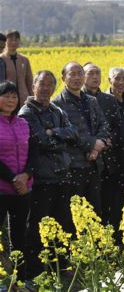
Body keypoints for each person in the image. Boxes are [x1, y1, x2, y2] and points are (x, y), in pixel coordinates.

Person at [18, 71, 79, 279]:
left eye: (49, 85)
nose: (45, 89)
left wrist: (54, 133)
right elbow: (40, 142)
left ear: (54, 88)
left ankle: (60, 267)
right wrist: (59, 137)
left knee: (62, 224)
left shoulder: (56, 110)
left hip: (61, 176)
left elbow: (73, 133)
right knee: (37, 227)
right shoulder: (27, 112)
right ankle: (35, 272)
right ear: (33, 85)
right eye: (41, 84)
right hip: (41, 178)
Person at [52, 62, 109, 216]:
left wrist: (98, 147)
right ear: (63, 77)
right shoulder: (57, 105)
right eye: (72, 74)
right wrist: (92, 144)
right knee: (73, 213)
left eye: (80, 74)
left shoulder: (92, 100)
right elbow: (67, 132)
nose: (77, 78)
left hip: (94, 165)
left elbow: (103, 125)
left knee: (95, 211)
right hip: (73, 166)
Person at [82, 63, 124, 228]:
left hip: (109, 161)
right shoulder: (79, 99)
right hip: (87, 161)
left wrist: (105, 142)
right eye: (90, 73)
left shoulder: (109, 100)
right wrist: (93, 145)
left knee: (111, 203)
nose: (95, 77)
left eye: (97, 73)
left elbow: (117, 126)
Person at [0, 81, 33, 277]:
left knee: (20, 236)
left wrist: (26, 175)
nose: (11, 100)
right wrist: (14, 179)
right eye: (6, 96)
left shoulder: (23, 123)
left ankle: (20, 278)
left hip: (22, 190)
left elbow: (33, 152)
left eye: (14, 96)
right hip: (2, 189)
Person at [1, 30, 33, 108]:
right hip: (7, 100)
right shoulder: (1, 59)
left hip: (24, 99)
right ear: (5, 41)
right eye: (11, 40)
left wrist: (33, 97)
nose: (14, 42)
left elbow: (29, 82)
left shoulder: (24, 60)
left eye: (16, 40)